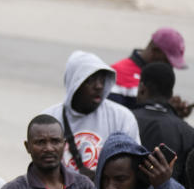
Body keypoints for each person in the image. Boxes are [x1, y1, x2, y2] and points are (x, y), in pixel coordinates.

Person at [43, 50, 139, 180]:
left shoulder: (121, 117)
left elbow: (133, 166)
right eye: (90, 80)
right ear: (74, 83)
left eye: (102, 79)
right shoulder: (49, 119)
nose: (99, 86)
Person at [131, 62, 194, 188]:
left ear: (142, 88)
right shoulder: (189, 133)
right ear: (171, 93)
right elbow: (192, 184)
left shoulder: (125, 119)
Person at [108, 28, 188, 110]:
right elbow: (113, 118)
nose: (170, 68)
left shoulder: (160, 78)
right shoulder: (116, 75)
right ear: (156, 51)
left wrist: (173, 113)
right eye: (169, 62)